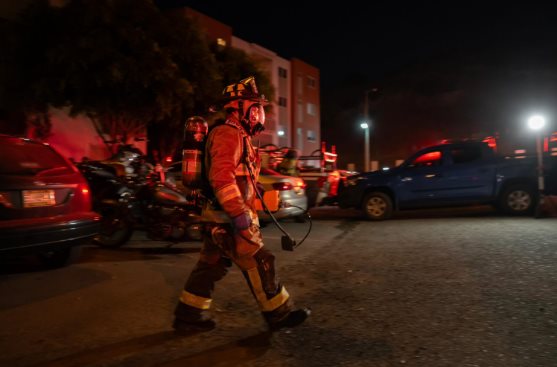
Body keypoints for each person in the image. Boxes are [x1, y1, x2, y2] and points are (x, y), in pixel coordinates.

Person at [173, 76, 310, 333]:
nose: (259, 112)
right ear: (237, 107)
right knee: (260, 260)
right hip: (227, 219)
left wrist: (254, 189)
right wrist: (238, 214)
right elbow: (221, 177)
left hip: (219, 217)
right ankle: (279, 314)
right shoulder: (227, 133)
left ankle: (187, 316)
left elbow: (238, 174)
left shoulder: (240, 135)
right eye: (254, 105)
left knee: (210, 266)